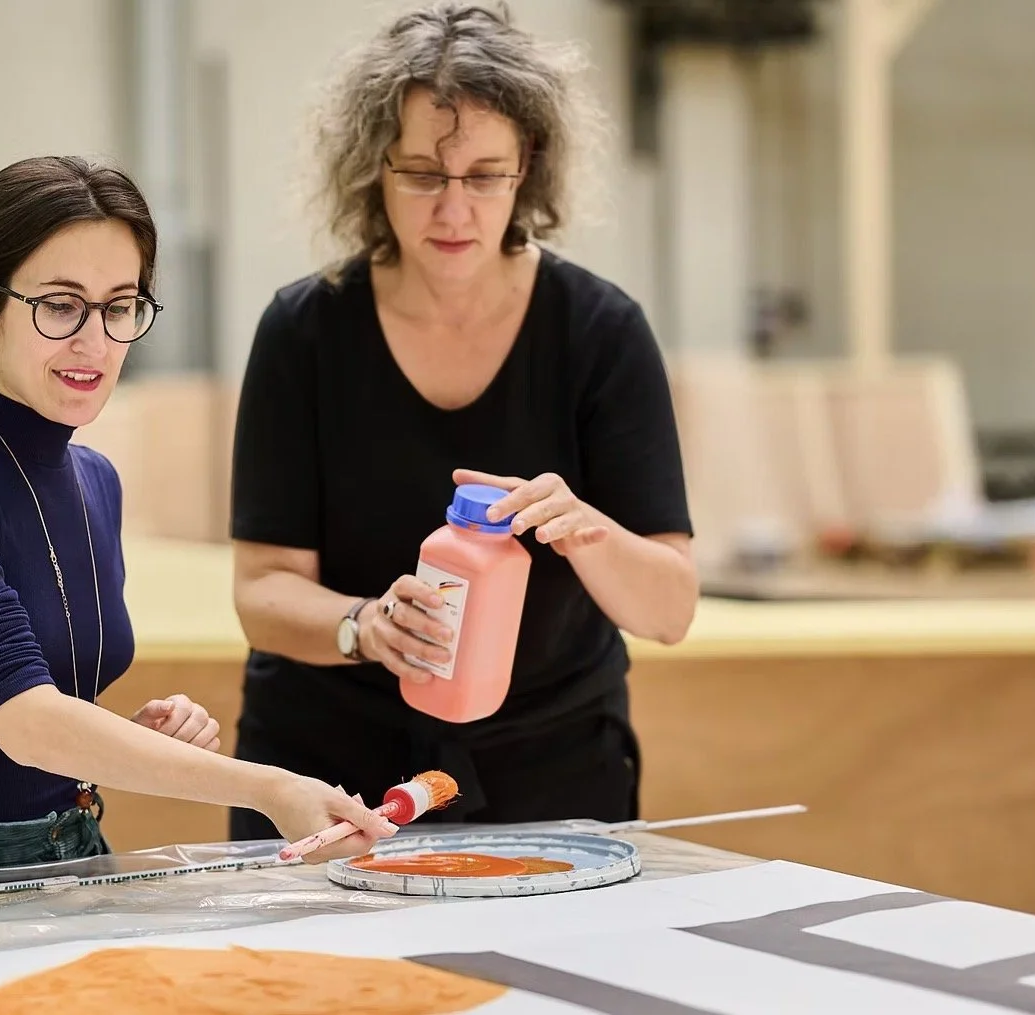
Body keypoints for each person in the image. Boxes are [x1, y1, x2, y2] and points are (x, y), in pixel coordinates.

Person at [0, 156, 395, 877]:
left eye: (119, 307)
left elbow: (44, 710)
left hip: (68, 847)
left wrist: (137, 736)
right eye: (60, 305)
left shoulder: (95, 481)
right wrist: (270, 788)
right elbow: (25, 721)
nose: (94, 343)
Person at [227, 2, 698, 841]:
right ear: (372, 168)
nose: (453, 210)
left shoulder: (599, 330)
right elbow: (262, 590)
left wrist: (584, 529)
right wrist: (363, 626)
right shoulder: (304, 331)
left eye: (484, 176)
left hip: (550, 761)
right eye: (421, 174)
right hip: (324, 761)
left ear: (528, 170)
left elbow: (669, 610)